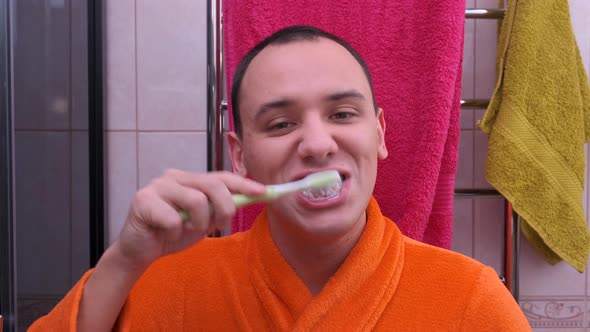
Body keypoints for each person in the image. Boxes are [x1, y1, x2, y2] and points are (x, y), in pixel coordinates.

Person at [30, 26, 531, 331]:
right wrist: (123, 261)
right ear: (240, 156)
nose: (316, 143)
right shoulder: (165, 282)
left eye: (342, 114)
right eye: (281, 124)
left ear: (378, 134)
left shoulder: (471, 300)